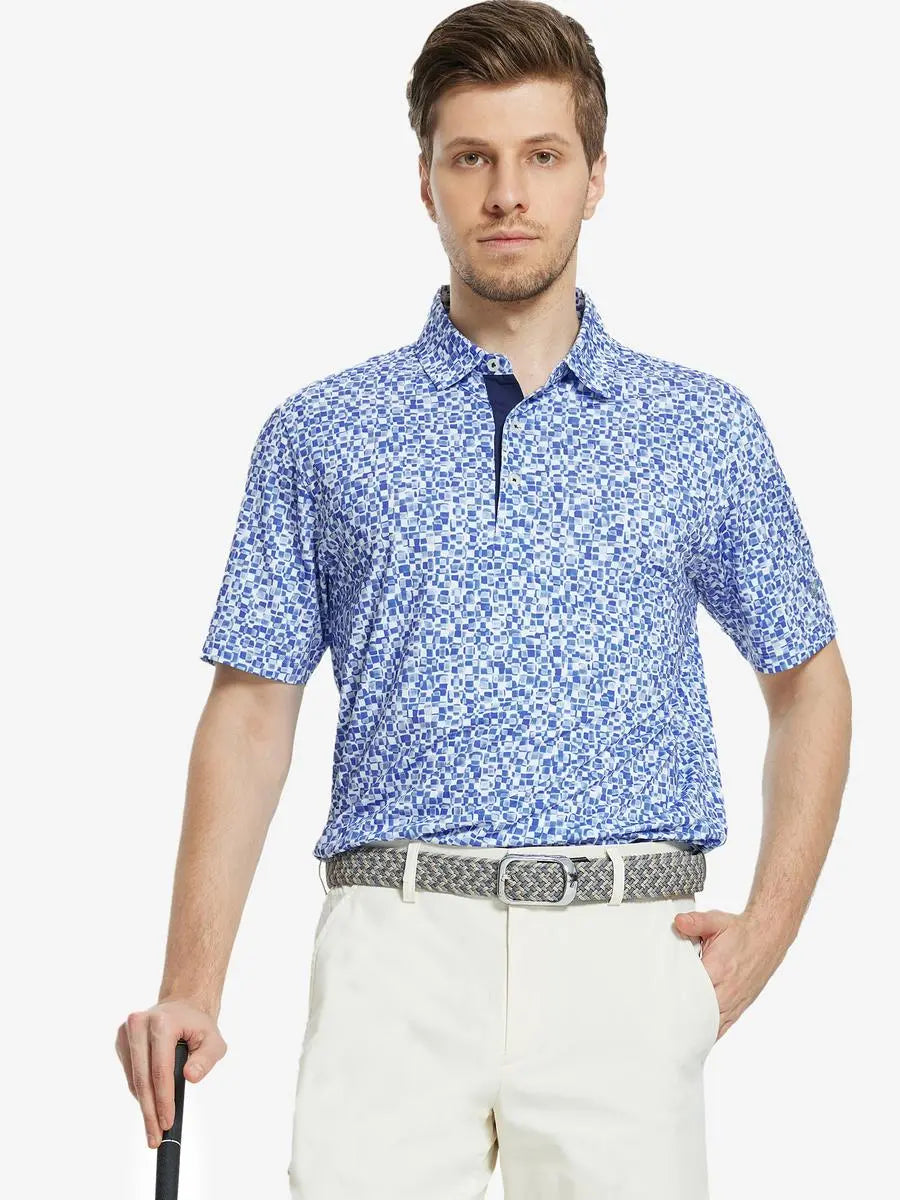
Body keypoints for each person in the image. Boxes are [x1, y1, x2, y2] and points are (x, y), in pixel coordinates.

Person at [115, 1, 852, 1196]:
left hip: (626, 951)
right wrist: (190, 985)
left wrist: (767, 934)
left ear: (595, 176)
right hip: (393, 953)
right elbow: (250, 713)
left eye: (542, 155)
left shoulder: (702, 430)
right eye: (472, 158)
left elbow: (809, 682)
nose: (507, 194)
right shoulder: (322, 434)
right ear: (427, 181)